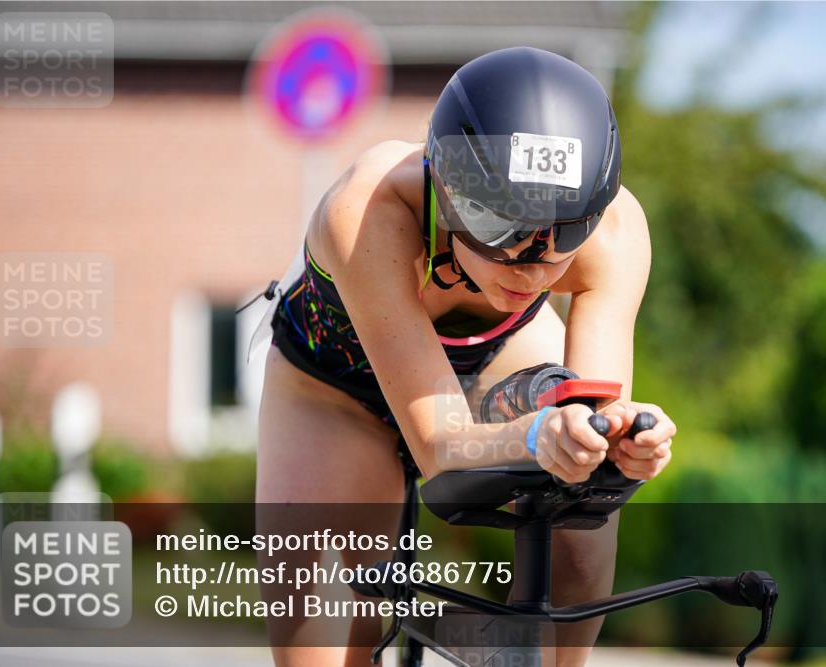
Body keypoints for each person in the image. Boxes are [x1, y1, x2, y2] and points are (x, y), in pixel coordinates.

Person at [257, 46, 676, 667]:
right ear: (448, 194)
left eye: (560, 239)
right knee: (317, 618)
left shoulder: (613, 230)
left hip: (495, 359)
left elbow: (592, 414)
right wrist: (537, 434)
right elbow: (439, 443)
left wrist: (618, 440)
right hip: (334, 388)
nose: (530, 269)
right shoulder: (368, 209)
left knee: (583, 532)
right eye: (502, 231)